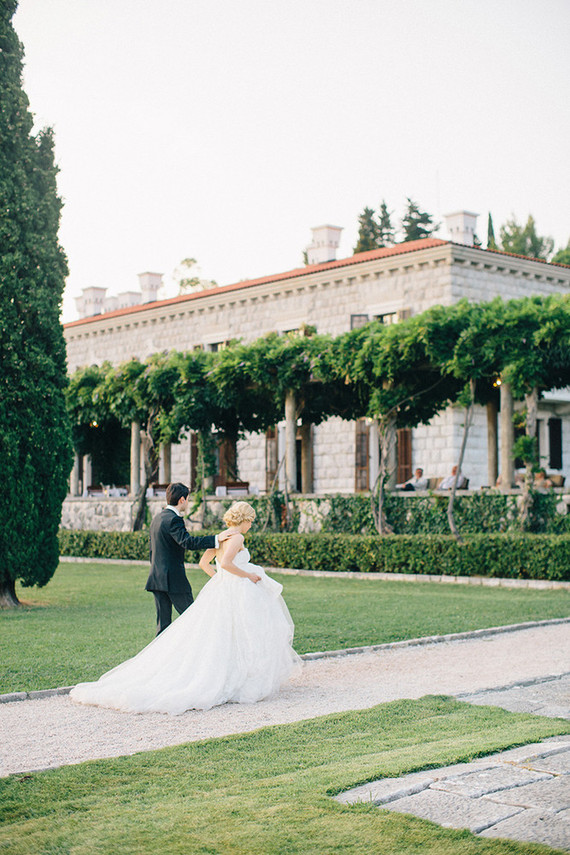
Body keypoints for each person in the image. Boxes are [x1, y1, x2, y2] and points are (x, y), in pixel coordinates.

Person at [70, 502, 301, 715]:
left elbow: (204, 563)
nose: (251, 525)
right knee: (241, 633)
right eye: (251, 520)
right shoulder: (237, 538)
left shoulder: (222, 537)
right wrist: (247, 576)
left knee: (225, 634)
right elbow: (229, 564)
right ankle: (239, 678)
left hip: (223, 589)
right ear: (244, 520)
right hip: (235, 590)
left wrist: (220, 578)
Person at [146, 482, 230, 635]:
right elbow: (188, 542)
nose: (188, 502)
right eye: (188, 499)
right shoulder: (174, 519)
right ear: (182, 500)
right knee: (194, 618)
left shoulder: (157, 518)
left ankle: (162, 658)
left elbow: (152, 550)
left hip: (156, 578)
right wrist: (216, 538)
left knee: (163, 627)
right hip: (173, 579)